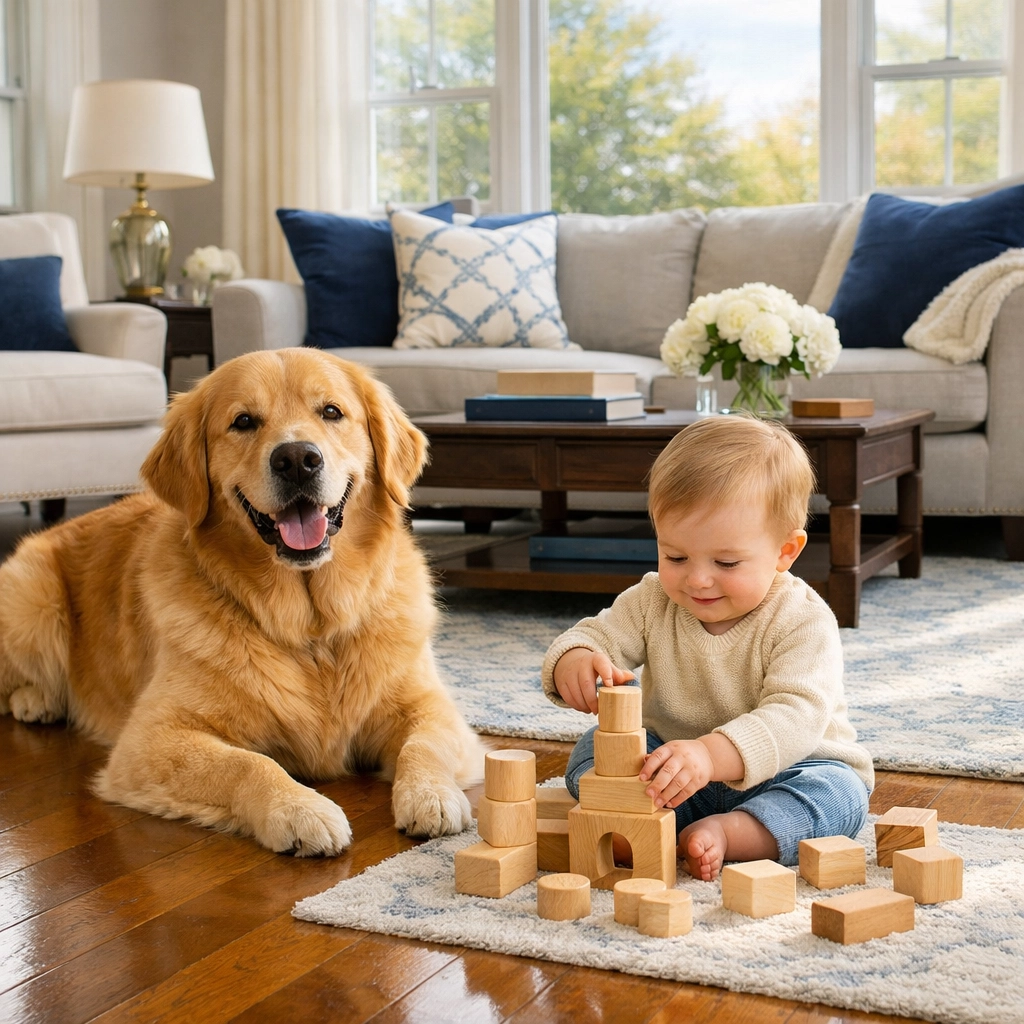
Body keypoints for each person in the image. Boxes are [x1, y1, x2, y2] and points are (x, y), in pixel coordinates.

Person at [542, 415, 873, 882]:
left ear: (786, 551)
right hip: (671, 771)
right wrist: (575, 661)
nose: (696, 579)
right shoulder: (652, 599)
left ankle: (735, 832)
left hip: (789, 769)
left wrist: (710, 755)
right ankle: (643, 823)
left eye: (726, 562)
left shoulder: (803, 618)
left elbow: (796, 714)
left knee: (841, 796)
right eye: (676, 556)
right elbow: (597, 635)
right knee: (591, 757)